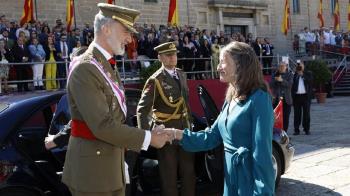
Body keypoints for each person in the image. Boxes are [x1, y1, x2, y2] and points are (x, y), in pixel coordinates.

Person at [62, 3, 170, 196]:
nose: (129, 39)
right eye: (125, 32)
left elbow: (117, 117)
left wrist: (148, 130)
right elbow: (102, 125)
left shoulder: (105, 65)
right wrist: (148, 138)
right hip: (92, 172)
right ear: (106, 29)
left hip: (111, 166)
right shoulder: (85, 68)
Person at [164, 41, 275, 196]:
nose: (218, 67)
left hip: (248, 181)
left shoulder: (259, 100)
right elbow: (211, 137)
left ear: (240, 65)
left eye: (223, 62)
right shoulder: (231, 98)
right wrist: (175, 134)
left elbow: (262, 155)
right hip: (230, 180)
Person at [136, 42, 196, 196]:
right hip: (166, 132)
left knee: (188, 173)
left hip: (184, 130)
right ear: (160, 57)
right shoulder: (155, 80)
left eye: (174, 54)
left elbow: (185, 104)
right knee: (169, 176)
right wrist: (148, 136)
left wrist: (190, 124)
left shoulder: (181, 74)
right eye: (168, 55)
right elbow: (142, 110)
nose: (172, 58)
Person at [270, 62, 293, 132]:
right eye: (280, 66)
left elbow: (290, 85)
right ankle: (277, 133)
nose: (282, 68)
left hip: (286, 100)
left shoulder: (290, 75)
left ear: (286, 67)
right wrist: (276, 80)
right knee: (276, 118)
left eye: (283, 66)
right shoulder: (274, 74)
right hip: (276, 100)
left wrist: (282, 80)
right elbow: (270, 85)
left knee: (286, 118)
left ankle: (284, 133)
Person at [292, 60, 313, 135]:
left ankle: (306, 129)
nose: (299, 67)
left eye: (300, 65)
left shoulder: (308, 73)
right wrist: (296, 73)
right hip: (297, 97)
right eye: (298, 65)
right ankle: (296, 129)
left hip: (305, 97)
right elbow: (292, 85)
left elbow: (310, 81)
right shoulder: (295, 74)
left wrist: (302, 75)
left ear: (303, 65)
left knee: (306, 114)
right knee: (297, 114)